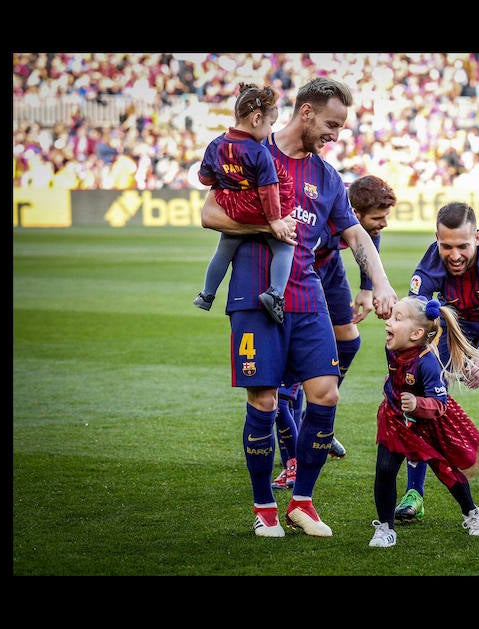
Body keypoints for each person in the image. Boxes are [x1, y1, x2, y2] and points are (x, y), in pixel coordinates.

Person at [200, 77, 398, 538]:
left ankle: (302, 502)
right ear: (305, 113)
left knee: (326, 394)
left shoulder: (327, 176)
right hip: (254, 297)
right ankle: (264, 506)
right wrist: (269, 228)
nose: (336, 134)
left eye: (341, 127)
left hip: (307, 298)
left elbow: (355, 235)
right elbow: (209, 214)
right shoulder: (253, 151)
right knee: (264, 399)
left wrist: (381, 282)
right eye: (331, 124)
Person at [397, 201, 479, 527]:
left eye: (462, 246)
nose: (454, 254)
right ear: (437, 239)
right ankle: (414, 493)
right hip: (458, 321)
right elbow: (416, 320)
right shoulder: (430, 265)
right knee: (420, 389)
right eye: (446, 246)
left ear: (477, 237)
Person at [271, 174, 396, 481]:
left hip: (328, 266)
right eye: (379, 217)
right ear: (354, 213)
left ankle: (316, 417)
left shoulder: (356, 218)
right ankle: (293, 461)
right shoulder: (318, 211)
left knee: (349, 341)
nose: (384, 224)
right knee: (285, 385)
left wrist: (368, 287)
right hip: (296, 272)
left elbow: (370, 237)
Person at [369, 296, 479, 547]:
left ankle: (472, 513)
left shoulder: (428, 363)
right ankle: (385, 528)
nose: (388, 322)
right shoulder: (392, 347)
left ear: (417, 333)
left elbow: (439, 403)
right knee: (384, 470)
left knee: (447, 472)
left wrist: (419, 405)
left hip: (428, 425)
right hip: (396, 420)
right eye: (391, 316)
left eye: (397, 318)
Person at [193, 82, 294, 324]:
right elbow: (269, 189)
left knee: (224, 250)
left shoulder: (216, 144)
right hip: (257, 208)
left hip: (231, 208)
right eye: (271, 124)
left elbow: (205, 177)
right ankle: (275, 294)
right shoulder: (259, 152)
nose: (271, 130)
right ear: (257, 119)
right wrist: (275, 221)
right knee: (284, 247)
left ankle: (207, 294)